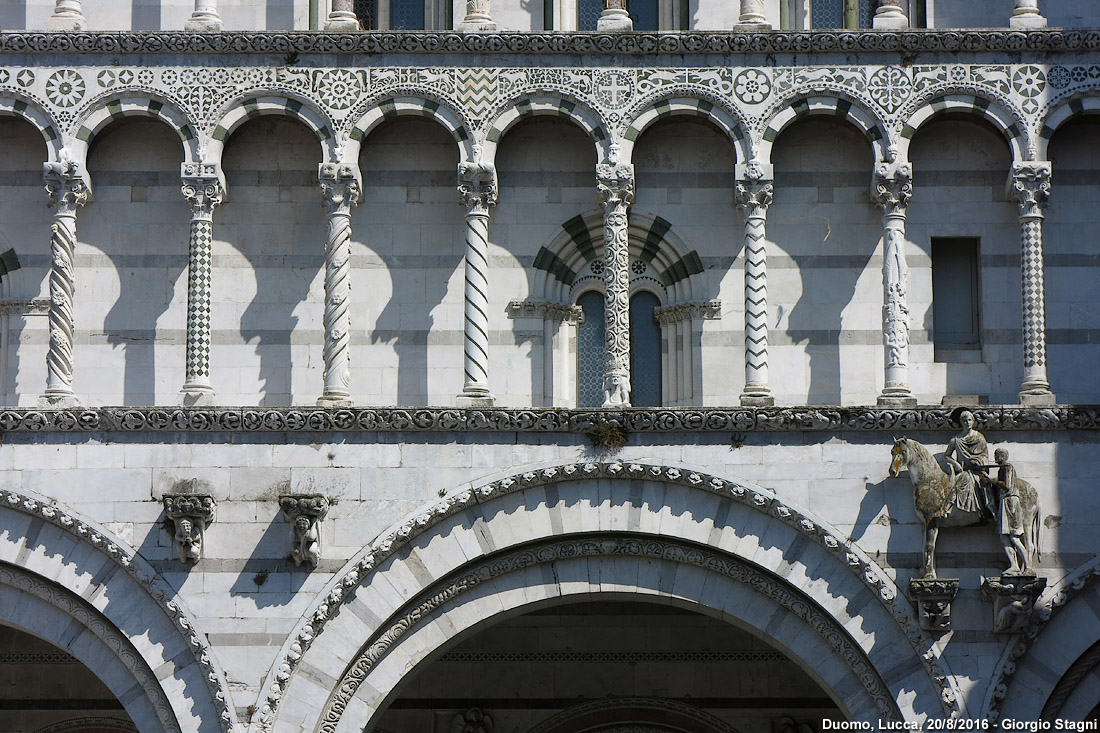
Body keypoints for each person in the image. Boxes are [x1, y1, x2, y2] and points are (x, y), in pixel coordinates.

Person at [944, 409, 995, 520]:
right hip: (965, 470)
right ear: (961, 423)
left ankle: (990, 509)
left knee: (985, 486)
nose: (967, 423)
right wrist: (956, 463)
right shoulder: (956, 439)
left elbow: (985, 455)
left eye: (969, 420)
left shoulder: (979, 437)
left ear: (973, 421)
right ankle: (948, 507)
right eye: (965, 421)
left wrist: (978, 461)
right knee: (958, 481)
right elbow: (946, 456)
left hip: (978, 469)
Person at [995, 447, 1035, 574]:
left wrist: (992, 481)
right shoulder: (1002, 469)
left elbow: (1007, 486)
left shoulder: (1007, 467)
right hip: (1004, 501)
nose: (996, 458)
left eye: (998, 456)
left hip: (1010, 502)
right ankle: (1014, 565)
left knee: (1014, 537)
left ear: (1003, 456)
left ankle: (1028, 566)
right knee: (1003, 538)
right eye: (995, 456)